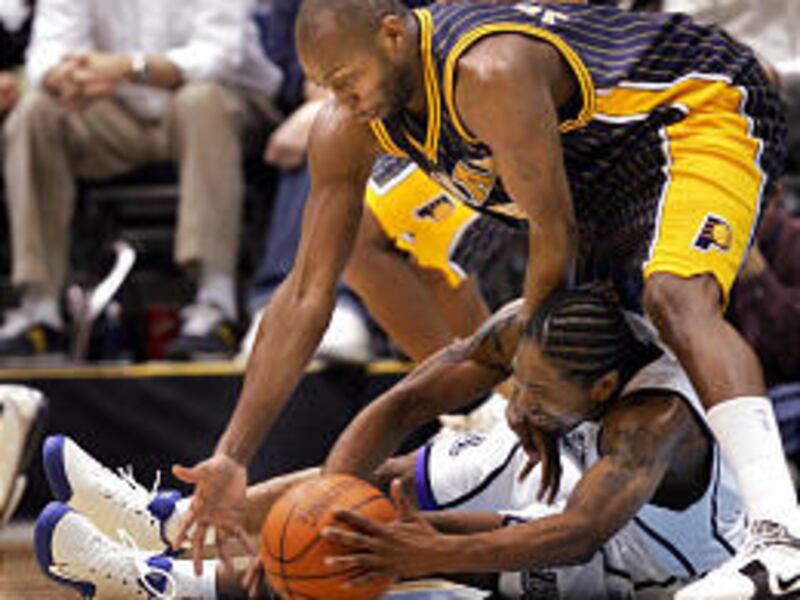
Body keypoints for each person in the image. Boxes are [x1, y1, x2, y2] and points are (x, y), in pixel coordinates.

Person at [175, 1, 796, 596]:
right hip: (586, 162)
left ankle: (780, 537)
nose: (341, 101)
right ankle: (178, 533)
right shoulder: (352, 121)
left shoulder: (487, 70)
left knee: (673, 298)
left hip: (696, 106)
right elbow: (306, 292)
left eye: (345, 79)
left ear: (393, 35)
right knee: (376, 237)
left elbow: (554, 231)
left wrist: (529, 380)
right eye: (324, 86)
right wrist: (233, 454)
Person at [34, 286, 745, 598]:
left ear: (603, 389)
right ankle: (170, 522)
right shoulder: (537, 334)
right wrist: (322, 500)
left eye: (536, 393)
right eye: (515, 382)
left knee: (384, 551)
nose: (517, 402)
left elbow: (577, 534)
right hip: (576, 477)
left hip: (651, 560)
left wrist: (429, 553)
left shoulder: (653, 421)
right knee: (380, 497)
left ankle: (167, 583)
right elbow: (406, 400)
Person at [0, 0, 283, 361]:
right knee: (35, 112)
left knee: (202, 101)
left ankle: (216, 302)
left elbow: (218, 56)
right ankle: (40, 310)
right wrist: (67, 75)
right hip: (116, 111)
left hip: (221, 106)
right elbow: (46, 52)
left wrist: (129, 67)